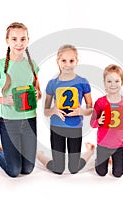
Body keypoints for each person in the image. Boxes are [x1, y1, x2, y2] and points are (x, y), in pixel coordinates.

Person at [0, 22, 42, 178]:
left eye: (23, 39)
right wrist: (5, 100)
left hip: (30, 121)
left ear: (28, 40)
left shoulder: (32, 65)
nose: (19, 43)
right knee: (14, 171)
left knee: (28, 169)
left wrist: (37, 95)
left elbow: (39, 93)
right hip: (9, 122)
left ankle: (9, 151)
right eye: (14, 39)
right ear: (7, 40)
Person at [36, 44, 95, 175]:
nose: (67, 64)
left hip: (75, 128)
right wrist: (53, 110)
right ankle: (38, 154)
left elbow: (90, 108)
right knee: (58, 169)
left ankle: (90, 151)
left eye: (71, 60)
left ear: (77, 61)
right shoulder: (52, 84)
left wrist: (81, 111)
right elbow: (45, 111)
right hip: (57, 127)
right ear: (58, 61)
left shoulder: (83, 82)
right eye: (64, 60)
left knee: (74, 169)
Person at [90, 64, 123, 178]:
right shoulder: (100, 102)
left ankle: (112, 160)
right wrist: (99, 120)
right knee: (101, 173)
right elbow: (92, 123)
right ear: (104, 83)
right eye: (109, 81)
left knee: (118, 174)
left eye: (116, 81)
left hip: (119, 145)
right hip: (103, 144)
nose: (113, 84)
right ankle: (99, 159)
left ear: (122, 82)